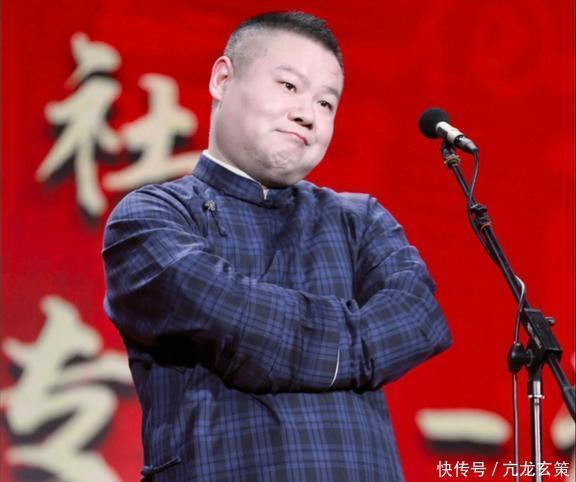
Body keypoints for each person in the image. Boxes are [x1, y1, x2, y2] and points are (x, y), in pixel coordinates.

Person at [102, 11, 452, 482]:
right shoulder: (151, 217)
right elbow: (232, 316)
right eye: (289, 86)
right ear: (223, 79)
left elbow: (419, 318)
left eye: (326, 103)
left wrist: (280, 340)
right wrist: (361, 343)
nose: (308, 114)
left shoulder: (359, 219)